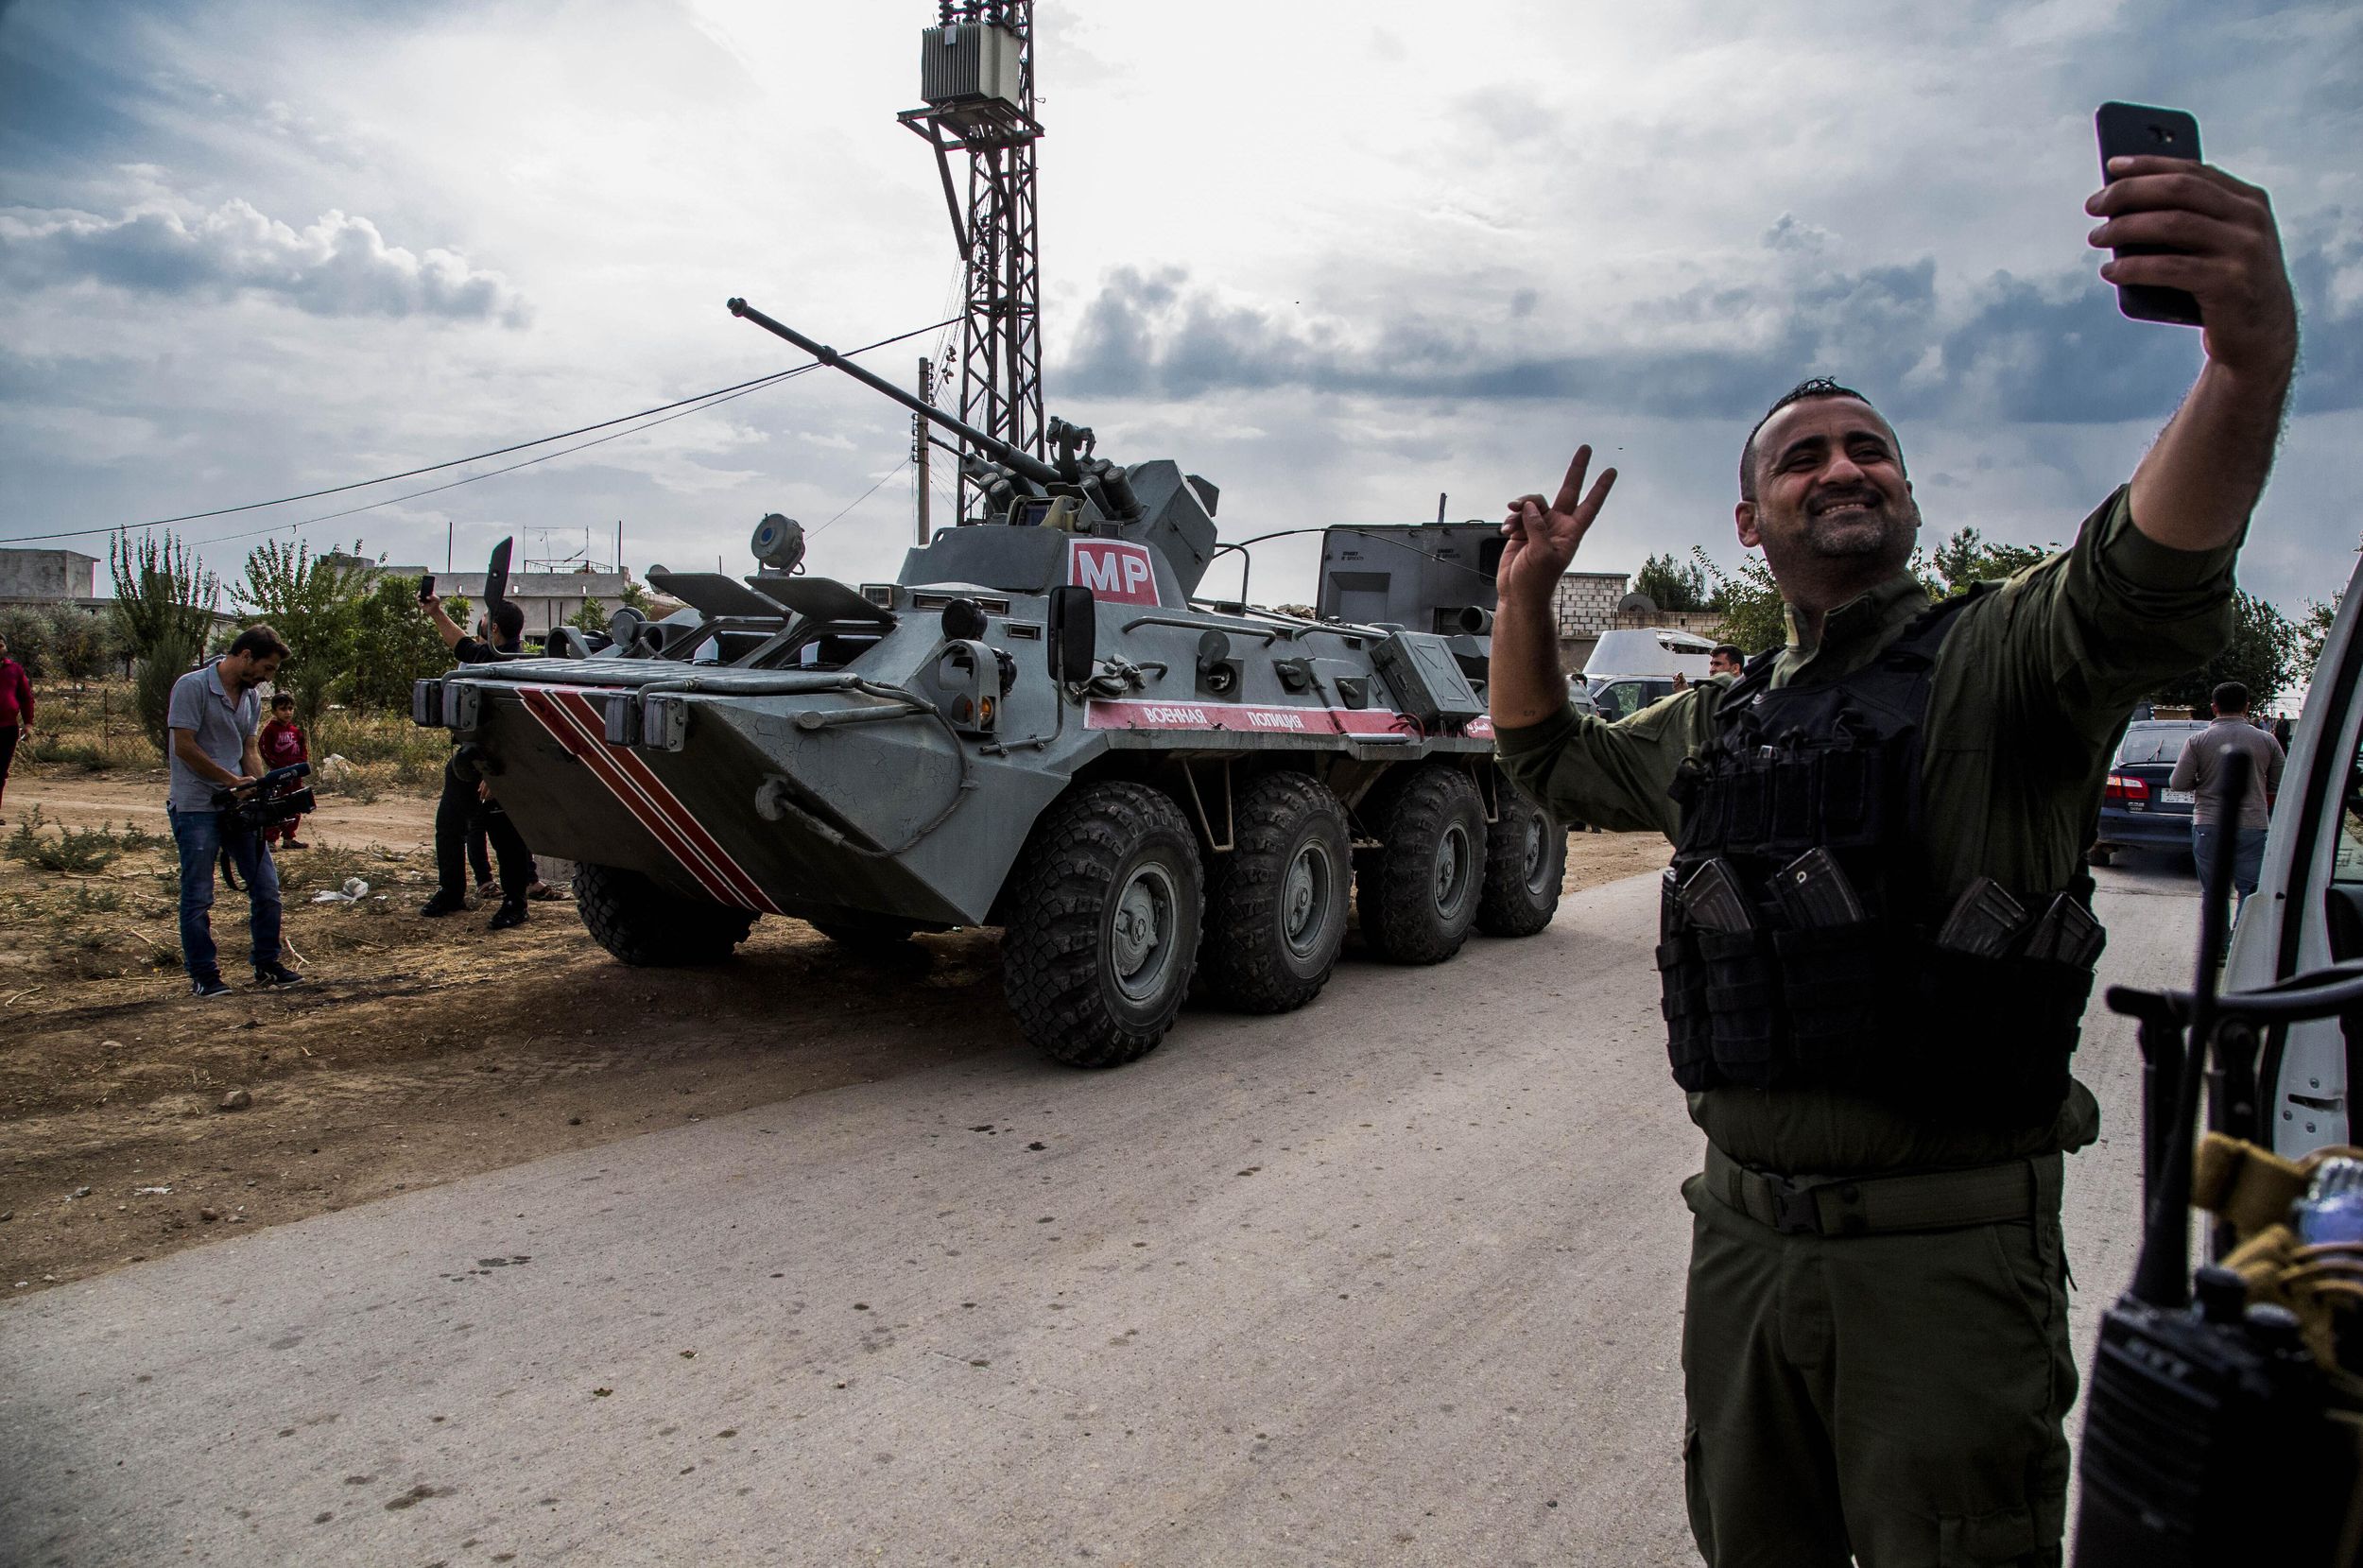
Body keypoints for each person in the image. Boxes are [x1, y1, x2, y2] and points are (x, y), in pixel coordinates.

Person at [1488, 150, 2294, 1565]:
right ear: (1752, 522)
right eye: (1804, 457)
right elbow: (1548, 761)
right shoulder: (1724, 720)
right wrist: (1526, 597)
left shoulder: (2006, 658)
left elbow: (2143, 571)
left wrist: (2243, 363)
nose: (1843, 467)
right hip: (1740, 1243)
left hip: (1945, 1264)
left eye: (1869, 450)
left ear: (1909, 497)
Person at [167, 626, 303, 997]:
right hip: (196, 804)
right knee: (198, 894)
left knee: (266, 888)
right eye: (267, 668)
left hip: (239, 805)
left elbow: (248, 747)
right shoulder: (191, 687)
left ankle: (267, 963)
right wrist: (232, 780)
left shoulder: (251, 697)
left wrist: (261, 789)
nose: (268, 677)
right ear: (245, 656)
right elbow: (184, 747)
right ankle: (204, 975)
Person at [420, 590, 537, 929]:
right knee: (449, 826)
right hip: (470, 759)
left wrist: (495, 774)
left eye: (484, 621)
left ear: (495, 628)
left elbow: (517, 727)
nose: (478, 625)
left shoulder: (512, 665)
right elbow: (463, 647)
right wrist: (436, 613)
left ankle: (516, 902)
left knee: (505, 835)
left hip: (500, 763)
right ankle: (451, 892)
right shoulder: (489, 655)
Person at [2170, 680, 2285, 942]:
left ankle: (2218, 947)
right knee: (2250, 889)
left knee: (2214, 891)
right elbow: (2280, 782)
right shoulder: (2267, 741)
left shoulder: (2198, 741)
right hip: (2252, 825)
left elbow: (2178, 783)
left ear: (2214, 707)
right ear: (2247, 707)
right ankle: (2239, 943)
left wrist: (2203, 781)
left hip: (2209, 824)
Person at [257, 692, 311, 849]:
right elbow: (265, 750)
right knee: (276, 806)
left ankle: (289, 838)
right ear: (274, 711)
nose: (288, 712)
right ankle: (271, 839)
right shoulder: (270, 730)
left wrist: (301, 766)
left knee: (296, 804)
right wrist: (278, 767)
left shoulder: (295, 731)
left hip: (295, 775)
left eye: (290, 709)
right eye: (283, 709)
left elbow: (303, 750)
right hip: (279, 776)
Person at [0, 630, 32, 822]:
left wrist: (28, 723)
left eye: (1, 644)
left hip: (7, 729)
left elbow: (26, 698)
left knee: (0, 773)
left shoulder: (15, 670)